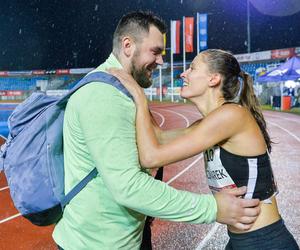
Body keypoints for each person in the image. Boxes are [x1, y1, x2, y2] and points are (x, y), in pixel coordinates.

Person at [52, 12, 261, 250]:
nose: (162, 61)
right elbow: (129, 187)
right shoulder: (104, 95)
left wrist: (141, 101)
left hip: (122, 238)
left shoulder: (121, 90)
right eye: (155, 51)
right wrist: (212, 208)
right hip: (97, 244)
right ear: (128, 45)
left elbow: (160, 141)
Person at [109, 49, 299, 249]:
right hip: (240, 241)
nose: (183, 74)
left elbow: (151, 157)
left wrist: (139, 96)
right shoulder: (208, 123)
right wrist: (136, 88)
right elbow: (159, 137)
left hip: (265, 242)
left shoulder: (231, 116)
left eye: (192, 68)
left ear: (213, 79)